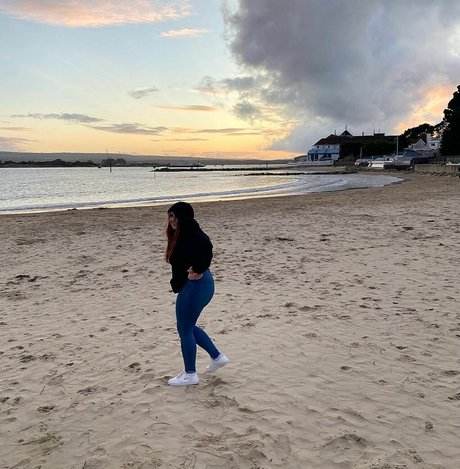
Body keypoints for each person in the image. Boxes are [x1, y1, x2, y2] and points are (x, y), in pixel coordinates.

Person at [165, 201, 229, 386]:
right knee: (187, 326)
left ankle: (190, 374)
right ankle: (217, 357)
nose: (172, 220)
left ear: (183, 217)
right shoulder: (183, 233)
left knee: (184, 329)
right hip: (199, 285)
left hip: (197, 286)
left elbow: (207, 247)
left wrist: (199, 269)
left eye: (175, 216)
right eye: (170, 216)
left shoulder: (192, 233)